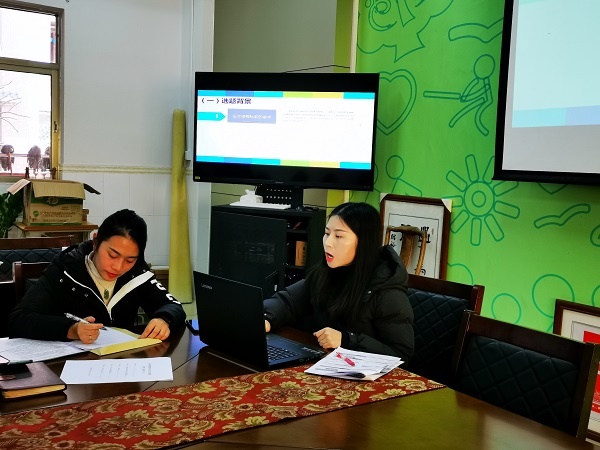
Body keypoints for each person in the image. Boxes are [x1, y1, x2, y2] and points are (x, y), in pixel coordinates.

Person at [263, 202, 414, 361]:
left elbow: (401, 355)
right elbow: (288, 301)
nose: (328, 242)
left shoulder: (387, 290)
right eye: (327, 233)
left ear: (363, 242)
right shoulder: (325, 273)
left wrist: (347, 340)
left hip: (364, 374)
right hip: (326, 365)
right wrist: (267, 318)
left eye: (339, 236)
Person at [8, 209, 186, 343]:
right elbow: (19, 318)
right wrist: (71, 329)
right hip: (73, 368)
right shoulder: (65, 270)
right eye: (112, 255)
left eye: (130, 259)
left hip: (123, 364)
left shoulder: (138, 274)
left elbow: (173, 306)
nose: (118, 267)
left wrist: (164, 319)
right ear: (96, 241)